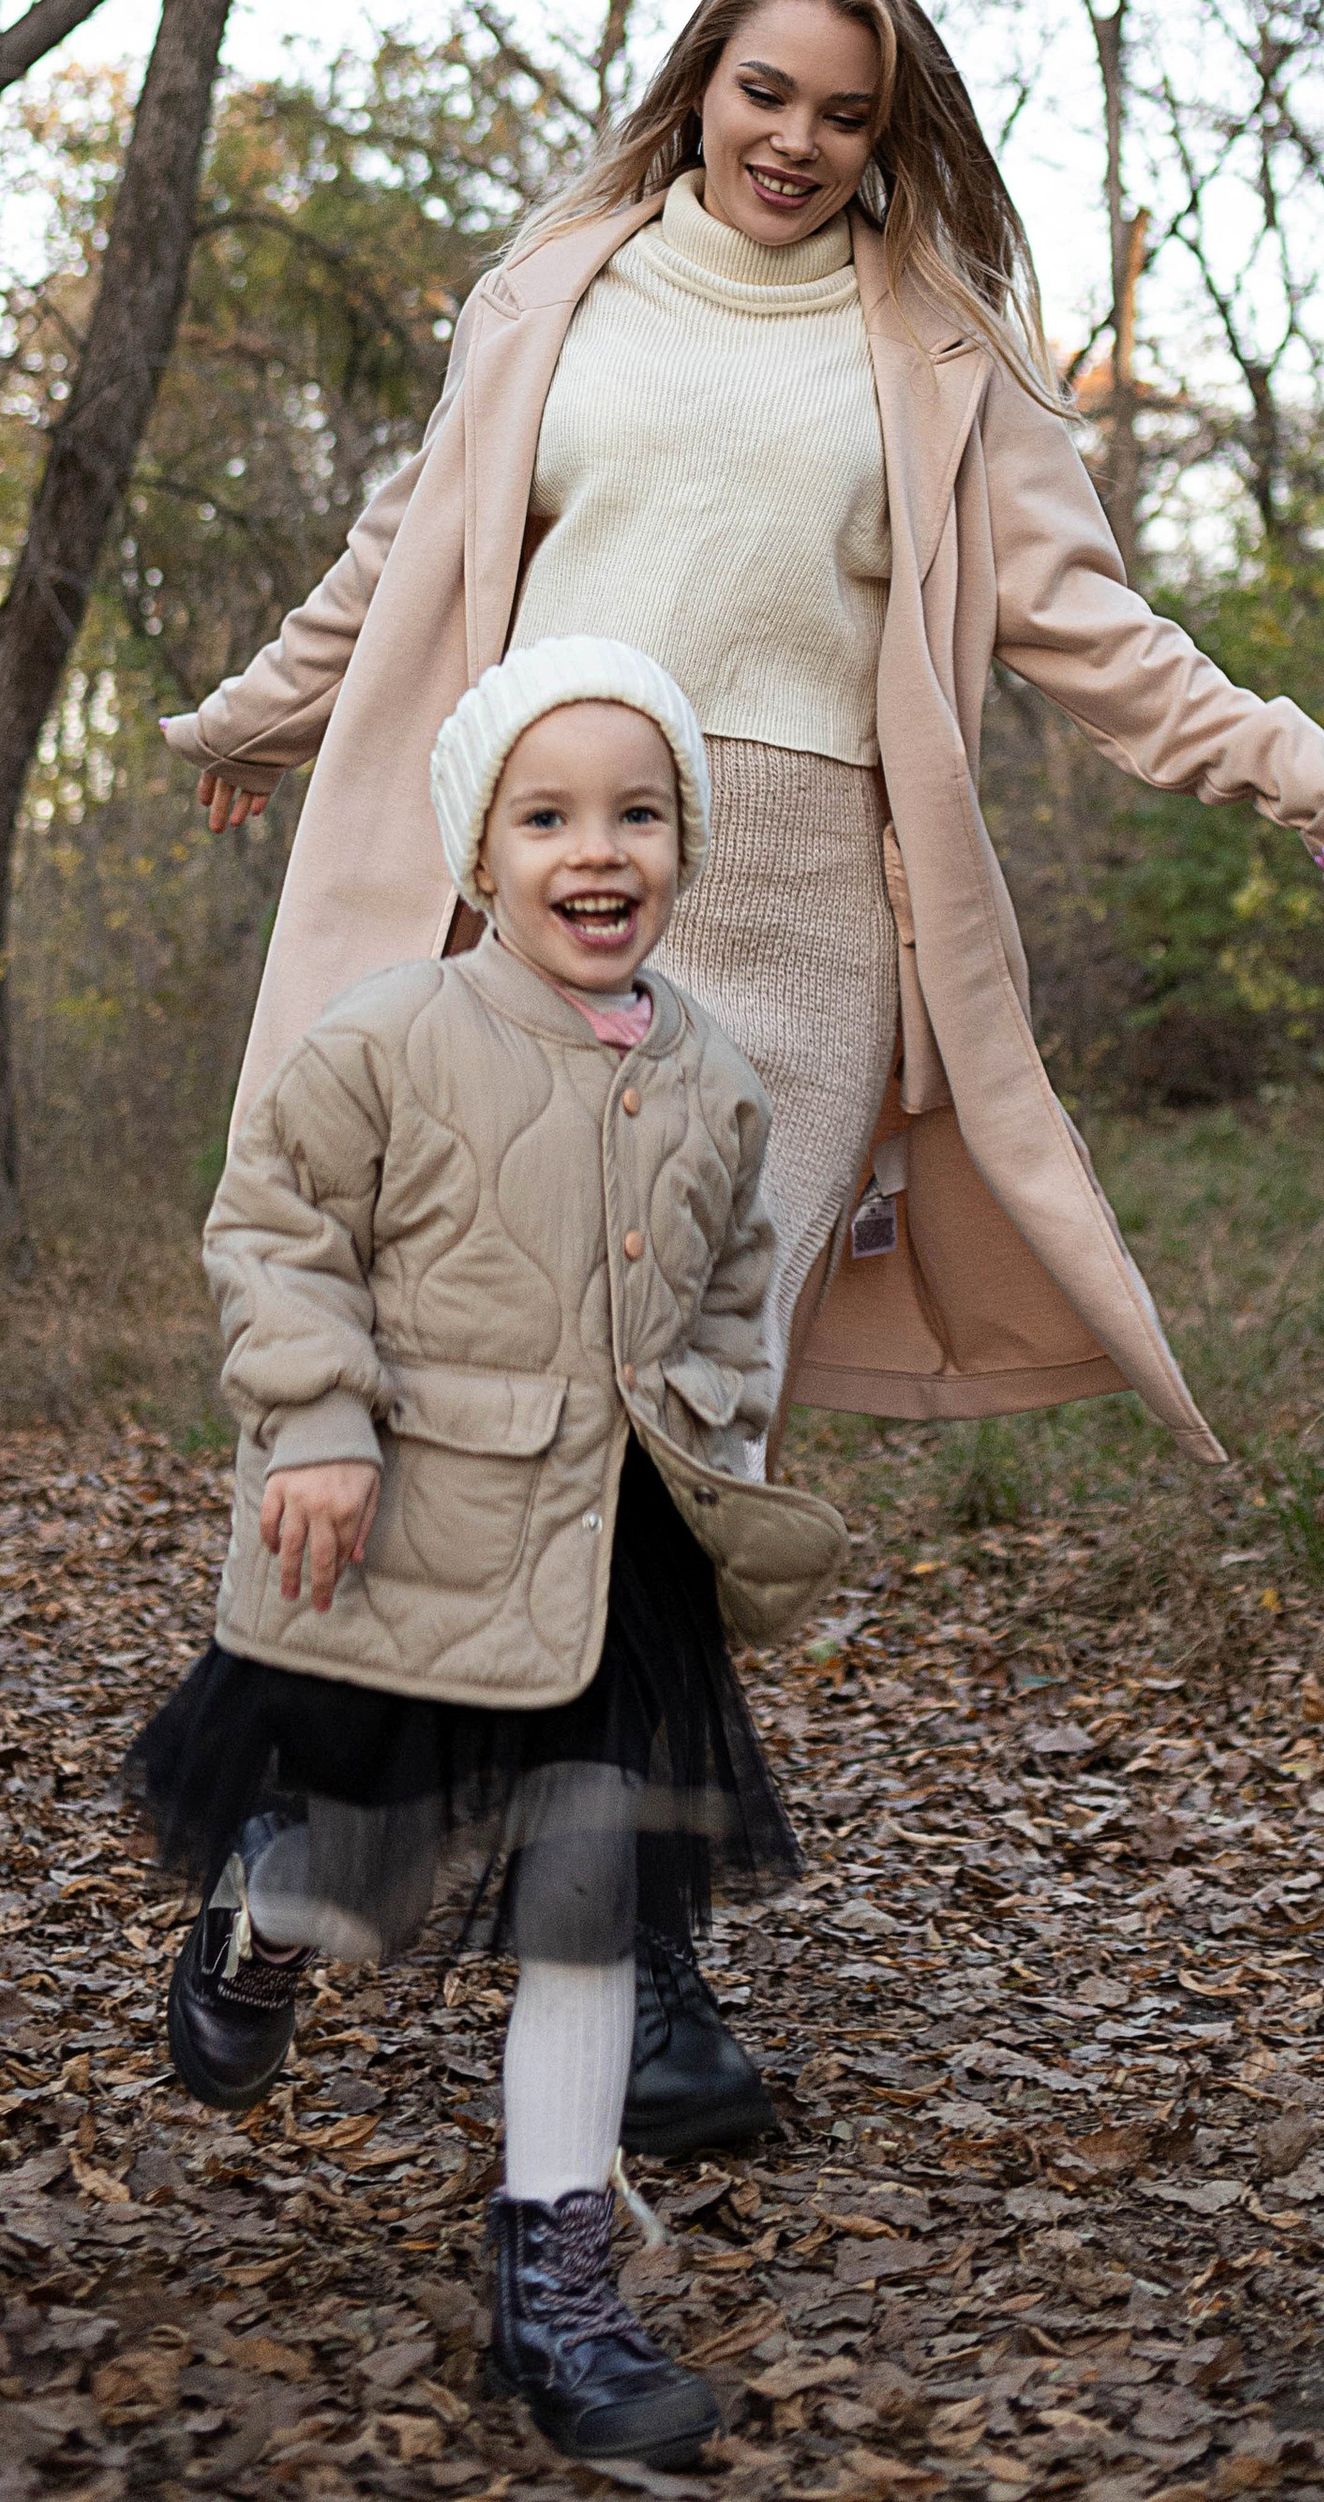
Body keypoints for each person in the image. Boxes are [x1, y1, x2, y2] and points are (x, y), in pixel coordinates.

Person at [164, 0, 1324, 2144]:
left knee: (681, 1438)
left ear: (890, 132)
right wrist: (256, 719)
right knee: (470, 1401)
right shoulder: (551, 295)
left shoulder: (938, 351)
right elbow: (401, 554)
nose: (798, 142)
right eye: (766, 93)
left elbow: (1087, 624)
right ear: (699, 84)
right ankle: (291, 1841)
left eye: (846, 112)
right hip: (542, 902)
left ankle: (633, 1966)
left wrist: (1291, 766)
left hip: (807, 943)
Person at [131, 638, 845, 2465]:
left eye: (638, 815)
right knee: (358, 1876)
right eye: (548, 818)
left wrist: (719, 1440)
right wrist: (315, 1422)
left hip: (612, 1569)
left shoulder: (717, 1078)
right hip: (401, 1545)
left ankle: (560, 2290)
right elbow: (273, 1229)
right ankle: (261, 1920)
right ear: (479, 852)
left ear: (684, 847)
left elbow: (733, 1290)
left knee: (589, 1905)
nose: (596, 850)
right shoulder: (391, 1037)